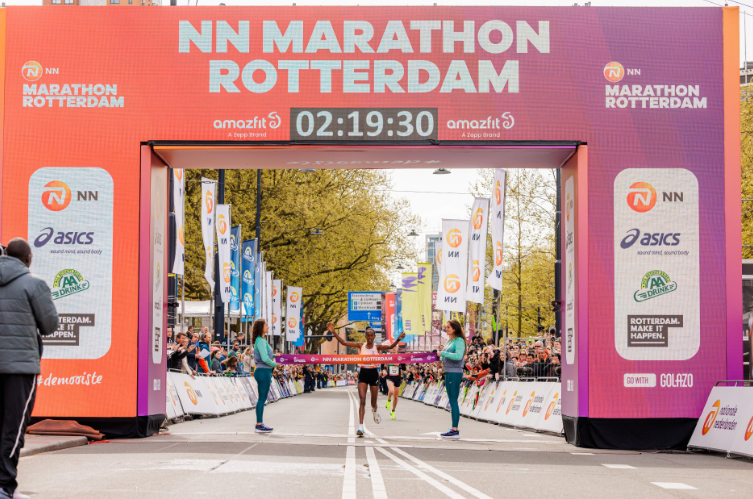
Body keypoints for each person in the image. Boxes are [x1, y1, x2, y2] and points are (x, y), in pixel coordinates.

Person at [0, 238, 59, 499]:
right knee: (13, 428)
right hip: (19, 369)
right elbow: (50, 325)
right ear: (27, 259)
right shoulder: (34, 285)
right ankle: (4, 486)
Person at [329, 323, 404, 436]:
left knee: (373, 402)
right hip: (363, 373)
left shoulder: (377, 347)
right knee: (362, 400)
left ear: (374, 336)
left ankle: (374, 410)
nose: (369, 338)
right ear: (365, 336)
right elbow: (344, 343)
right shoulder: (361, 346)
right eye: (367, 336)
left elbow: (389, 347)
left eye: (371, 336)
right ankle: (360, 427)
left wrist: (398, 339)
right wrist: (334, 332)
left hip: (373, 373)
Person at [438, 319, 466, 440]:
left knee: (453, 401)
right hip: (448, 371)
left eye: (448, 327)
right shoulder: (450, 340)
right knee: (451, 400)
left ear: (454, 328)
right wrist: (441, 358)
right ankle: (453, 429)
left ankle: (455, 430)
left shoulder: (459, 341)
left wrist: (443, 354)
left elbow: (458, 356)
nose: (446, 328)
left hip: (455, 372)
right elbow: (445, 355)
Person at [252, 319, 277, 433]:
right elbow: (265, 358)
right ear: (261, 327)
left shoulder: (261, 340)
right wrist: (276, 363)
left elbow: (266, 356)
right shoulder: (260, 341)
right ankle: (259, 424)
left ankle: (260, 423)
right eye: (266, 325)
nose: (268, 326)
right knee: (262, 398)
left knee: (262, 398)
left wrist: (276, 356)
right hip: (263, 371)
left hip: (264, 371)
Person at [384, 344, 403, 420]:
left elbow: (404, 367)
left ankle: (393, 411)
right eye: (392, 347)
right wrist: (384, 370)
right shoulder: (388, 357)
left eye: (395, 347)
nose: (394, 348)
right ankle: (388, 400)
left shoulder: (401, 357)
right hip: (390, 377)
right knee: (391, 391)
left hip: (397, 378)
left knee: (395, 396)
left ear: (397, 348)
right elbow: (383, 366)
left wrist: (399, 366)